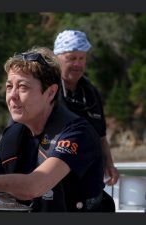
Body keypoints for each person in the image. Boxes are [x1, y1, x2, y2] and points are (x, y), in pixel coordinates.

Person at [0, 46, 106, 212]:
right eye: (9, 86)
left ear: (50, 93)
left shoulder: (77, 133)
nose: (12, 95)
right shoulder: (11, 137)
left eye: (22, 87)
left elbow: (34, 186)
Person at [53, 30, 119, 187]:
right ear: (57, 58)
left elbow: (101, 136)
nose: (77, 64)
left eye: (81, 58)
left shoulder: (91, 92)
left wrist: (110, 164)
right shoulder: (47, 89)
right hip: (56, 181)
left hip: (90, 179)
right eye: (71, 58)